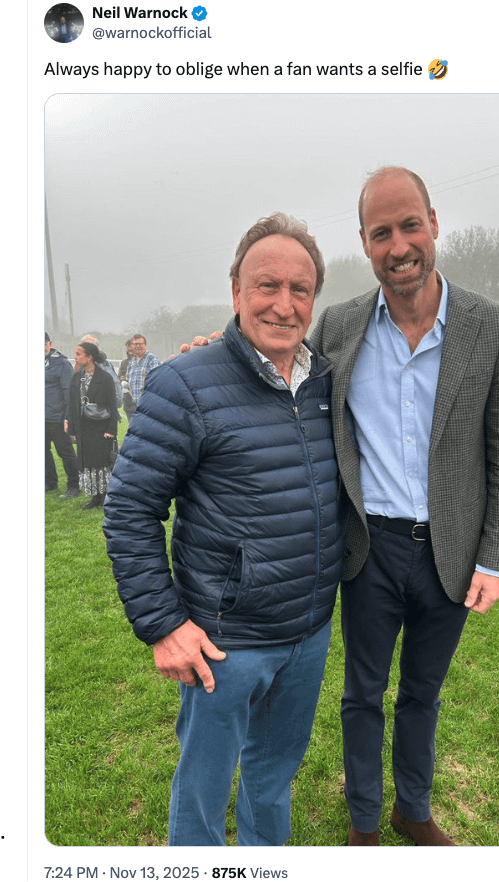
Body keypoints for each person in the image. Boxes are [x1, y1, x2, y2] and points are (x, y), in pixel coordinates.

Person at [103, 213, 344, 847]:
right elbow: (129, 509)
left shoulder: (324, 382)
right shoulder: (184, 383)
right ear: (236, 289)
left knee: (272, 779)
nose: (283, 305)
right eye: (267, 286)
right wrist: (162, 625)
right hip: (224, 643)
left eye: (300, 290)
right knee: (204, 795)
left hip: (310, 629)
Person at [311, 167, 499, 846]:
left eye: (409, 225)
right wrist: (220, 357)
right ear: (363, 242)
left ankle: (412, 808)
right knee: (361, 695)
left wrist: (495, 558)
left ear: (433, 222)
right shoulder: (338, 326)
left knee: (422, 695)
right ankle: (364, 824)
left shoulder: (494, 329)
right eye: (381, 233)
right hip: (367, 551)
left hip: (451, 553)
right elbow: (283, 387)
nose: (398, 245)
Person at [67, 342, 119, 509]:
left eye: (79, 354)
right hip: (83, 429)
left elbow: (113, 406)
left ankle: (105, 497)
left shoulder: (105, 378)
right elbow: (73, 404)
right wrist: (73, 428)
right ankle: (95, 498)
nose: (76, 357)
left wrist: (111, 430)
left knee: (102, 464)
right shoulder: (76, 377)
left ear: (89, 357)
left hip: (101, 428)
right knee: (88, 464)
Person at [45, 332, 80, 498]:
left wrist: (68, 416)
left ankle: (74, 485)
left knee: (65, 452)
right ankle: (50, 483)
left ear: (49, 343)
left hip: (57, 417)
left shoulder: (62, 363)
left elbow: (69, 392)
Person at [126, 334, 160, 408]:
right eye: (135, 344)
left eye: (140, 344)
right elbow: (128, 380)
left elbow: (156, 382)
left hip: (150, 405)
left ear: (146, 345)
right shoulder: (131, 362)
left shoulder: (151, 359)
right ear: (132, 346)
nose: (137, 346)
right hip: (136, 406)